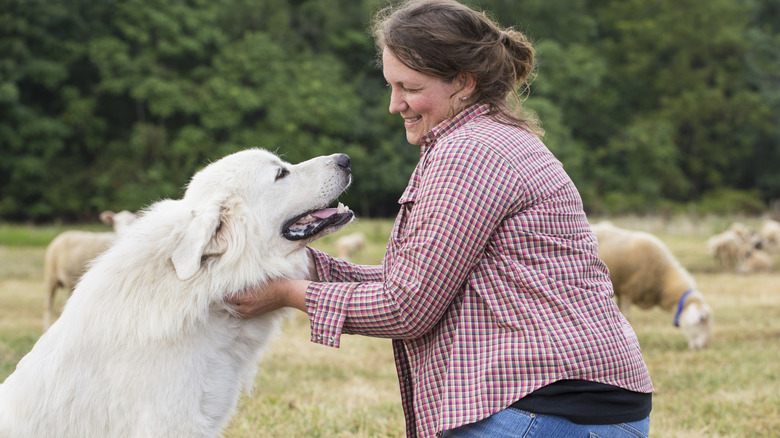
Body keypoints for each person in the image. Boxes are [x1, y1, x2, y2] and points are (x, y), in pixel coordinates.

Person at [228, 1, 654, 436]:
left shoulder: (468, 153)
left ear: (464, 84)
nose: (395, 105)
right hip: (579, 408)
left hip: (546, 411)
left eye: (409, 88)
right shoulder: (492, 139)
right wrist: (303, 265)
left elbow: (406, 307)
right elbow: (417, 282)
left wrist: (285, 291)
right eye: (390, 86)